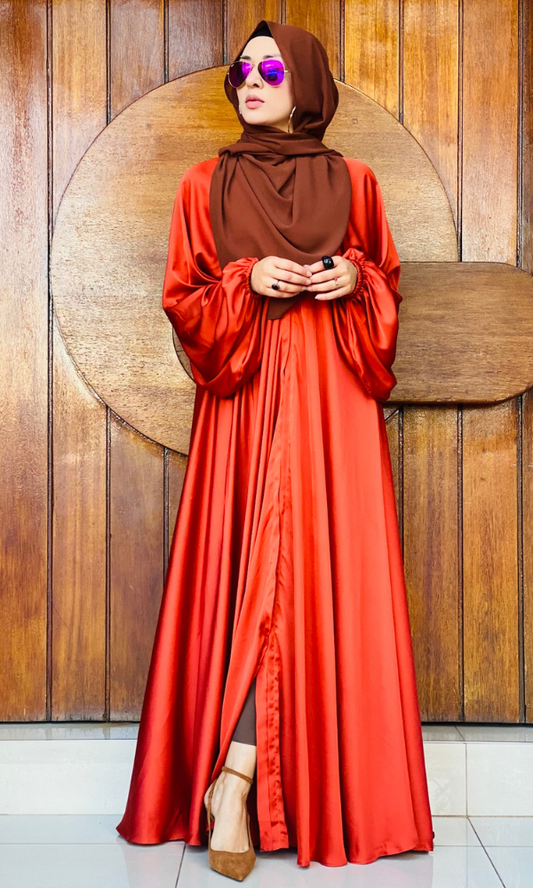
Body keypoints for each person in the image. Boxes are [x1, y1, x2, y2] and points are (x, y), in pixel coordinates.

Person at [115, 18, 435, 880]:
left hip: (333, 403)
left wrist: (354, 279)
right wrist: (244, 278)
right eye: (244, 71)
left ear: (306, 85)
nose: (252, 82)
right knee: (259, 576)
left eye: (271, 70)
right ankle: (236, 779)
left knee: (314, 580)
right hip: (247, 399)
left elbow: (386, 286)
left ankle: (241, 781)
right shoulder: (203, 183)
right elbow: (183, 299)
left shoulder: (356, 182)